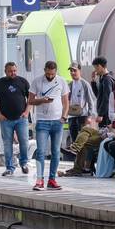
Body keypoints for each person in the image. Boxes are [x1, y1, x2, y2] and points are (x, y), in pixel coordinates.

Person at [29, 60, 69, 191]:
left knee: (56, 152)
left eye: (52, 74)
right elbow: (30, 100)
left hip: (57, 121)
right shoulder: (37, 81)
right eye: (48, 74)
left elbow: (65, 101)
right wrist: (41, 100)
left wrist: (64, 116)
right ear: (44, 70)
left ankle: (52, 179)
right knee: (40, 151)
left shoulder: (61, 81)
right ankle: (39, 179)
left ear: (56, 72)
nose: (50, 76)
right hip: (42, 121)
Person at [0, 61, 31, 177]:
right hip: (6, 119)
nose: (13, 73)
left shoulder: (23, 82)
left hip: (21, 118)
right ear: (5, 71)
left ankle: (24, 163)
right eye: (10, 71)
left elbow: (31, 98)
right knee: (7, 144)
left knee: (24, 141)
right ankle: (9, 167)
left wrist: (27, 112)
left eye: (14, 71)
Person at [66, 64, 95, 142]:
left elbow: (90, 101)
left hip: (82, 116)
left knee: (82, 140)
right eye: (71, 71)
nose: (72, 73)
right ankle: (74, 153)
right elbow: (67, 100)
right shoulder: (70, 84)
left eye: (74, 70)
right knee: (74, 139)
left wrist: (89, 116)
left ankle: (82, 154)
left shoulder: (84, 84)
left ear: (79, 71)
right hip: (71, 116)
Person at [91, 56, 115, 123]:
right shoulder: (103, 78)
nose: (95, 70)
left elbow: (107, 98)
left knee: (105, 132)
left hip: (106, 116)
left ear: (99, 66)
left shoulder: (107, 80)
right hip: (105, 114)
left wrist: (101, 114)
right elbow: (98, 95)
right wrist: (93, 81)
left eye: (95, 68)